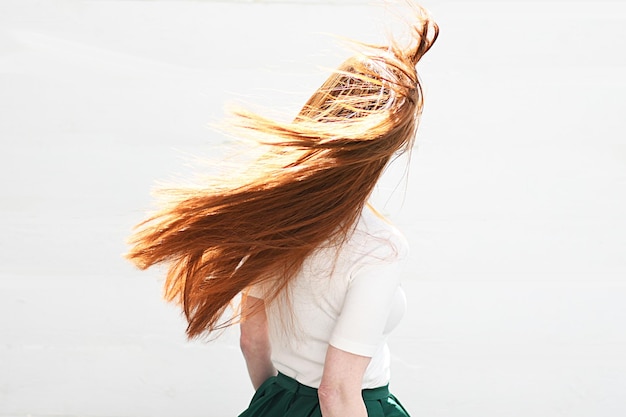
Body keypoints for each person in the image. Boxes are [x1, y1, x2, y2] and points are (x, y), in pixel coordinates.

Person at [126, 2, 438, 416]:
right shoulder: (380, 247)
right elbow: (337, 391)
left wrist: (279, 403)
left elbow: (252, 341)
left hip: (275, 401)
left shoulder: (277, 220)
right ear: (383, 147)